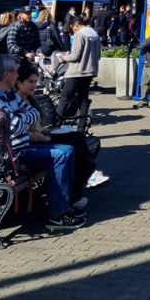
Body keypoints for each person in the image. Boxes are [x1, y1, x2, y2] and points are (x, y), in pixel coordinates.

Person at [0, 54, 83, 231]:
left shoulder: (8, 93)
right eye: (16, 72)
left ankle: (63, 207)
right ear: (6, 75)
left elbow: (33, 113)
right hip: (9, 157)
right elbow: (16, 126)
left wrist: (22, 117)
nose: (18, 75)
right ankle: (56, 216)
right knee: (60, 155)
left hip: (21, 148)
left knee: (69, 149)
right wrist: (23, 118)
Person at [16, 60, 98, 210]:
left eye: (36, 81)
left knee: (76, 138)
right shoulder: (17, 102)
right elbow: (26, 132)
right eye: (30, 82)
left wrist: (47, 132)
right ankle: (81, 185)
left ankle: (85, 176)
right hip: (34, 142)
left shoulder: (30, 99)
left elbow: (38, 127)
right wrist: (46, 137)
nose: (34, 85)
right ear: (19, 83)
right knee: (71, 147)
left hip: (42, 135)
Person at [57, 16, 101, 130]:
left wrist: (64, 57)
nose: (72, 30)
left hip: (77, 72)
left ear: (76, 24)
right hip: (90, 71)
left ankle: (55, 126)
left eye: (72, 27)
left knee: (64, 99)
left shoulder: (79, 34)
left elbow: (75, 56)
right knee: (83, 100)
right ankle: (82, 127)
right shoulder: (95, 34)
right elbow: (99, 55)